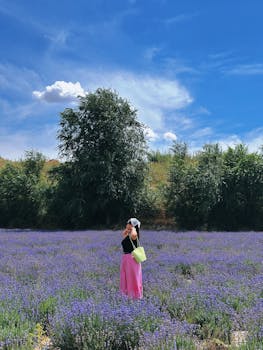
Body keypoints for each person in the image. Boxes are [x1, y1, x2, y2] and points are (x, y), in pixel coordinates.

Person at [120, 217, 143, 299]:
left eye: (128, 223)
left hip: (132, 259)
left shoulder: (134, 235)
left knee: (132, 278)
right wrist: (127, 230)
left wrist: (133, 227)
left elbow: (134, 234)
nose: (126, 224)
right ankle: (126, 295)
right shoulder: (129, 234)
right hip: (126, 259)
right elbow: (124, 236)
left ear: (132, 225)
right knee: (125, 277)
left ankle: (135, 297)